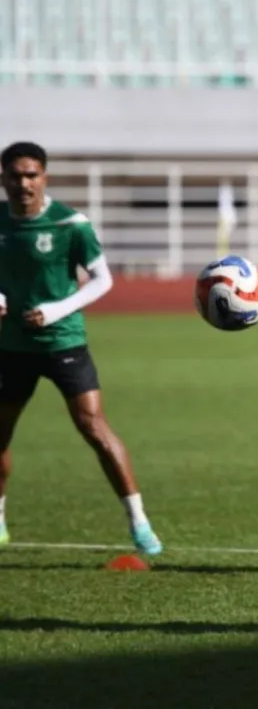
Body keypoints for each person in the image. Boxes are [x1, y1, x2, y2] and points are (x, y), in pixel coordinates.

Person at [0, 141, 163, 555]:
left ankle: (139, 521)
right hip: (12, 346)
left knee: (93, 426)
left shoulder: (70, 224)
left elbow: (103, 280)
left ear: (45, 177)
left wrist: (56, 311)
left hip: (63, 342)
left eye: (31, 175)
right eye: (15, 175)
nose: (24, 183)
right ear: (3, 179)